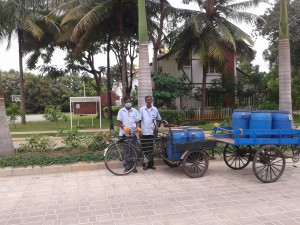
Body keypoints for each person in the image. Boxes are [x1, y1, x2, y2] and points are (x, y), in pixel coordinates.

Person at [117, 96, 141, 173]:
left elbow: (137, 121)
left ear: (131, 102)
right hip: (125, 134)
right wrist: (124, 128)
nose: (128, 103)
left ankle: (133, 166)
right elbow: (120, 122)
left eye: (129, 101)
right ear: (124, 102)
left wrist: (138, 127)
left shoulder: (135, 111)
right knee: (127, 151)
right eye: (126, 101)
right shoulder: (121, 111)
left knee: (133, 150)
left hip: (133, 134)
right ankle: (127, 166)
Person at [139, 95, 161, 170]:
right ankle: (145, 164)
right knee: (144, 149)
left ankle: (151, 164)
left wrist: (157, 127)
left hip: (152, 132)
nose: (149, 101)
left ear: (152, 100)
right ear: (145, 101)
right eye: (147, 99)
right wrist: (140, 131)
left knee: (151, 149)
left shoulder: (155, 109)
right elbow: (139, 120)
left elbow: (158, 119)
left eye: (150, 99)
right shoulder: (142, 109)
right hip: (144, 132)